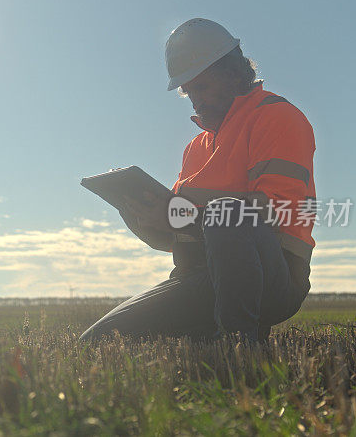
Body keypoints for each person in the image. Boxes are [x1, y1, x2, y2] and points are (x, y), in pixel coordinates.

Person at [80, 18, 316, 342]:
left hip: (272, 278)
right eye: (188, 91)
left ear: (234, 74)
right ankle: (210, 336)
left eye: (202, 86)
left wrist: (180, 217)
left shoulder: (276, 117)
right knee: (100, 339)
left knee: (227, 213)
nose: (195, 100)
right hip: (200, 277)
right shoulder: (195, 148)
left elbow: (275, 212)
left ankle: (238, 350)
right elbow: (174, 237)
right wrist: (138, 213)